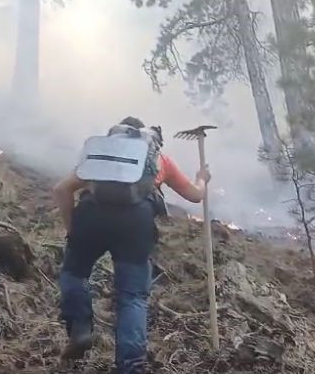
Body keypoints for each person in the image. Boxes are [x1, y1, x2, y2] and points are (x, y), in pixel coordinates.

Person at [52, 116, 210, 373]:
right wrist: (202, 177)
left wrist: (73, 232)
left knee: (73, 274)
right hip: (135, 225)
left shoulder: (101, 156)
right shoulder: (158, 159)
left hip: (91, 217)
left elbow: (61, 189)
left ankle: (80, 328)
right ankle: (131, 365)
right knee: (132, 298)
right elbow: (195, 195)